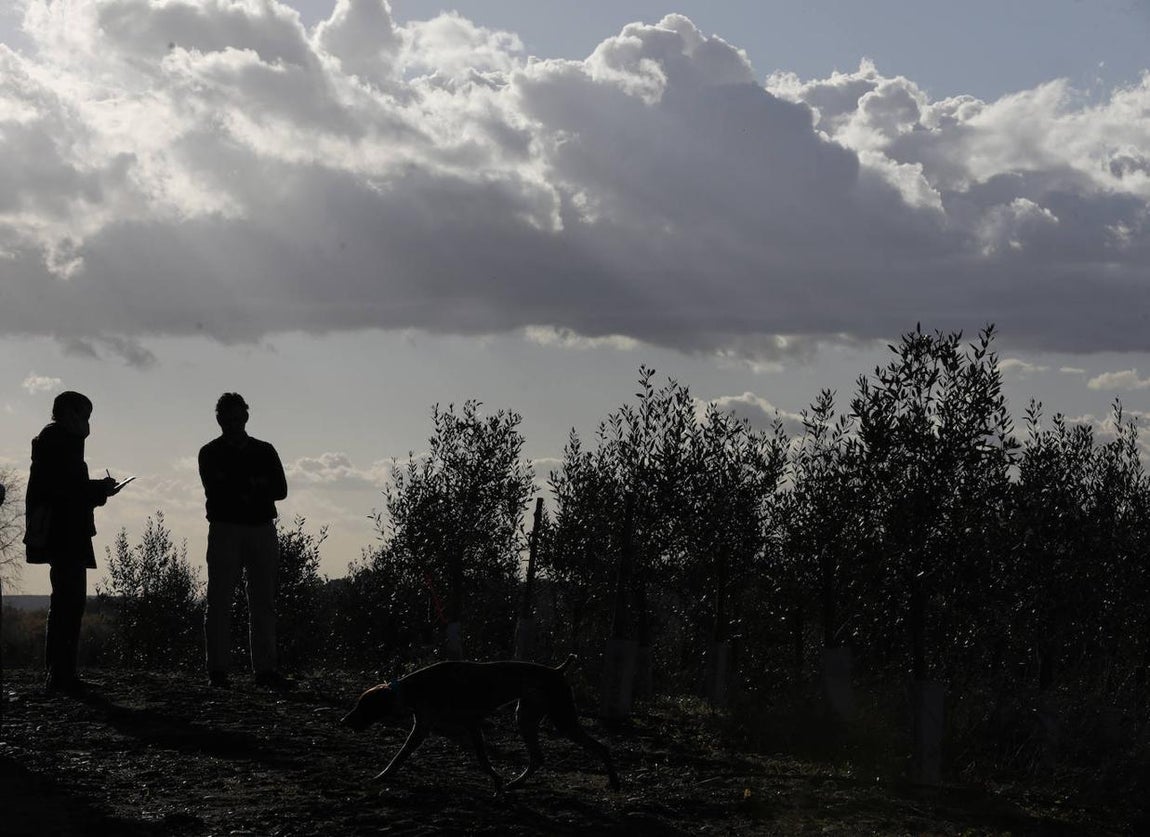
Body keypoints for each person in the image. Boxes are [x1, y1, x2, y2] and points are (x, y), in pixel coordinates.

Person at [25, 391, 123, 694]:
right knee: (69, 601)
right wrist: (98, 490)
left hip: (65, 531)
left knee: (66, 601)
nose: (88, 423)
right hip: (64, 533)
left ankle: (60, 672)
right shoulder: (59, 442)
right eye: (85, 415)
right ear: (70, 413)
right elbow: (67, 490)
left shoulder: (56, 441)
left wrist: (95, 492)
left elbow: (68, 489)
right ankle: (61, 674)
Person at [199, 392, 290, 689]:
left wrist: (240, 484)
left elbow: (279, 489)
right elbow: (219, 488)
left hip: (256, 528)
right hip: (229, 528)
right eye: (228, 419)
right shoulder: (210, 452)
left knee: (261, 601)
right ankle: (218, 670)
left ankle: (263, 670)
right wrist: (255, 484)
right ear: (219, 420)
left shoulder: (261, 450)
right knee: (220, 600)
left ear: (246, 417)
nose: (233, 424)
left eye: (237, 419)